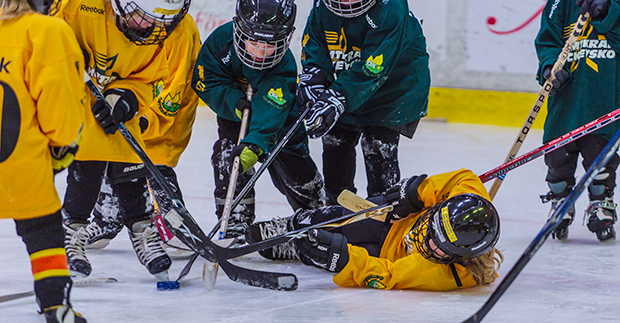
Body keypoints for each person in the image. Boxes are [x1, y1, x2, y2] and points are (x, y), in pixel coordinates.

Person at [55, 0, 193, 280]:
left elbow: (149, 77)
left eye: (154, 21)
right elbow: (40, 30)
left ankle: (142, 229)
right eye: (140, 16)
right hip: (69, 90)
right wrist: (63, 49)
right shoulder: (78, 6)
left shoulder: (158, 29)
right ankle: (73, 231)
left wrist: (126, 97)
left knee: (128, 151)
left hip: (111, 93)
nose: (147, 27)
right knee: (90, 151)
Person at [191, 0, 325, 241]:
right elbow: (205, 79)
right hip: (235, 116)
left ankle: (315, 210)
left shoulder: (284, 65)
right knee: (227, 155)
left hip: (279, 123)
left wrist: (255, 144)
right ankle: (234, 219)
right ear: (240, 30)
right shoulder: (220, 43)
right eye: (254, 42)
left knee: (296, 169)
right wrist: (233, 101)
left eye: (270, 45)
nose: (261, 53)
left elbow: (271, 112)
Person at [247, 169, 503, 290]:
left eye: (441, 247)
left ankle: (299, 249)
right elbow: (463, 178)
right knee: (342, 217)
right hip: (396, 218)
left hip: (384, 254)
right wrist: (416, 194)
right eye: (433, 229)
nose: (430, 242)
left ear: (459, 257)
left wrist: (345, 261)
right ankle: (294, 224)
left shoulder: (442, 275)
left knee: (325, 248)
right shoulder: (468, 200)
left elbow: (387, 274)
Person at [81, 11, 201, 258]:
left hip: (165, 117)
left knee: (155, 167)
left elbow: (175, 86)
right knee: (113, 157)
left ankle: (175, 227)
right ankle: (107, 219)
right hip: (133, 103)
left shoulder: (179, 29)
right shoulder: (132, 16)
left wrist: (148, 119)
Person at [0, 0, 88, 321]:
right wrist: (63, 146)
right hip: (20, 165)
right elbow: (60, 111)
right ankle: (54, 303)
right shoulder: (45, 31)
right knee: (43, 230)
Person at [296, 0, 430, 205]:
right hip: (348, 81)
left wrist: (338, 96)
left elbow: (374, 67)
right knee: (335, 142)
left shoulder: (391, 8)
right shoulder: (323, 4)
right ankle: (337, 213)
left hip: (394, 90)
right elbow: (315, 41)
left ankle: (384, 216)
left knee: (377, 146)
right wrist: (314, 77)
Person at [536, 0, 619, 242]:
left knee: (601, 154)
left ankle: (601, 201)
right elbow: (547, 40)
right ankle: (561, 198)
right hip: (567, 101)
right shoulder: (559, 3)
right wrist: (549, 67)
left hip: (605, 97)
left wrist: (611, 8)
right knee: (558, 155)